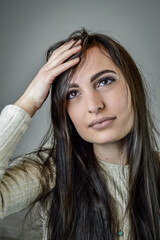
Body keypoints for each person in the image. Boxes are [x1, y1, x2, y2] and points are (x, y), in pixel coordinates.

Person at [0, 28, 160, 240]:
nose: (94, 106)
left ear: (133, 84)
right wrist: (29, 101)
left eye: (105, 81)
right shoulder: (51, 169)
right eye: (73, 93)